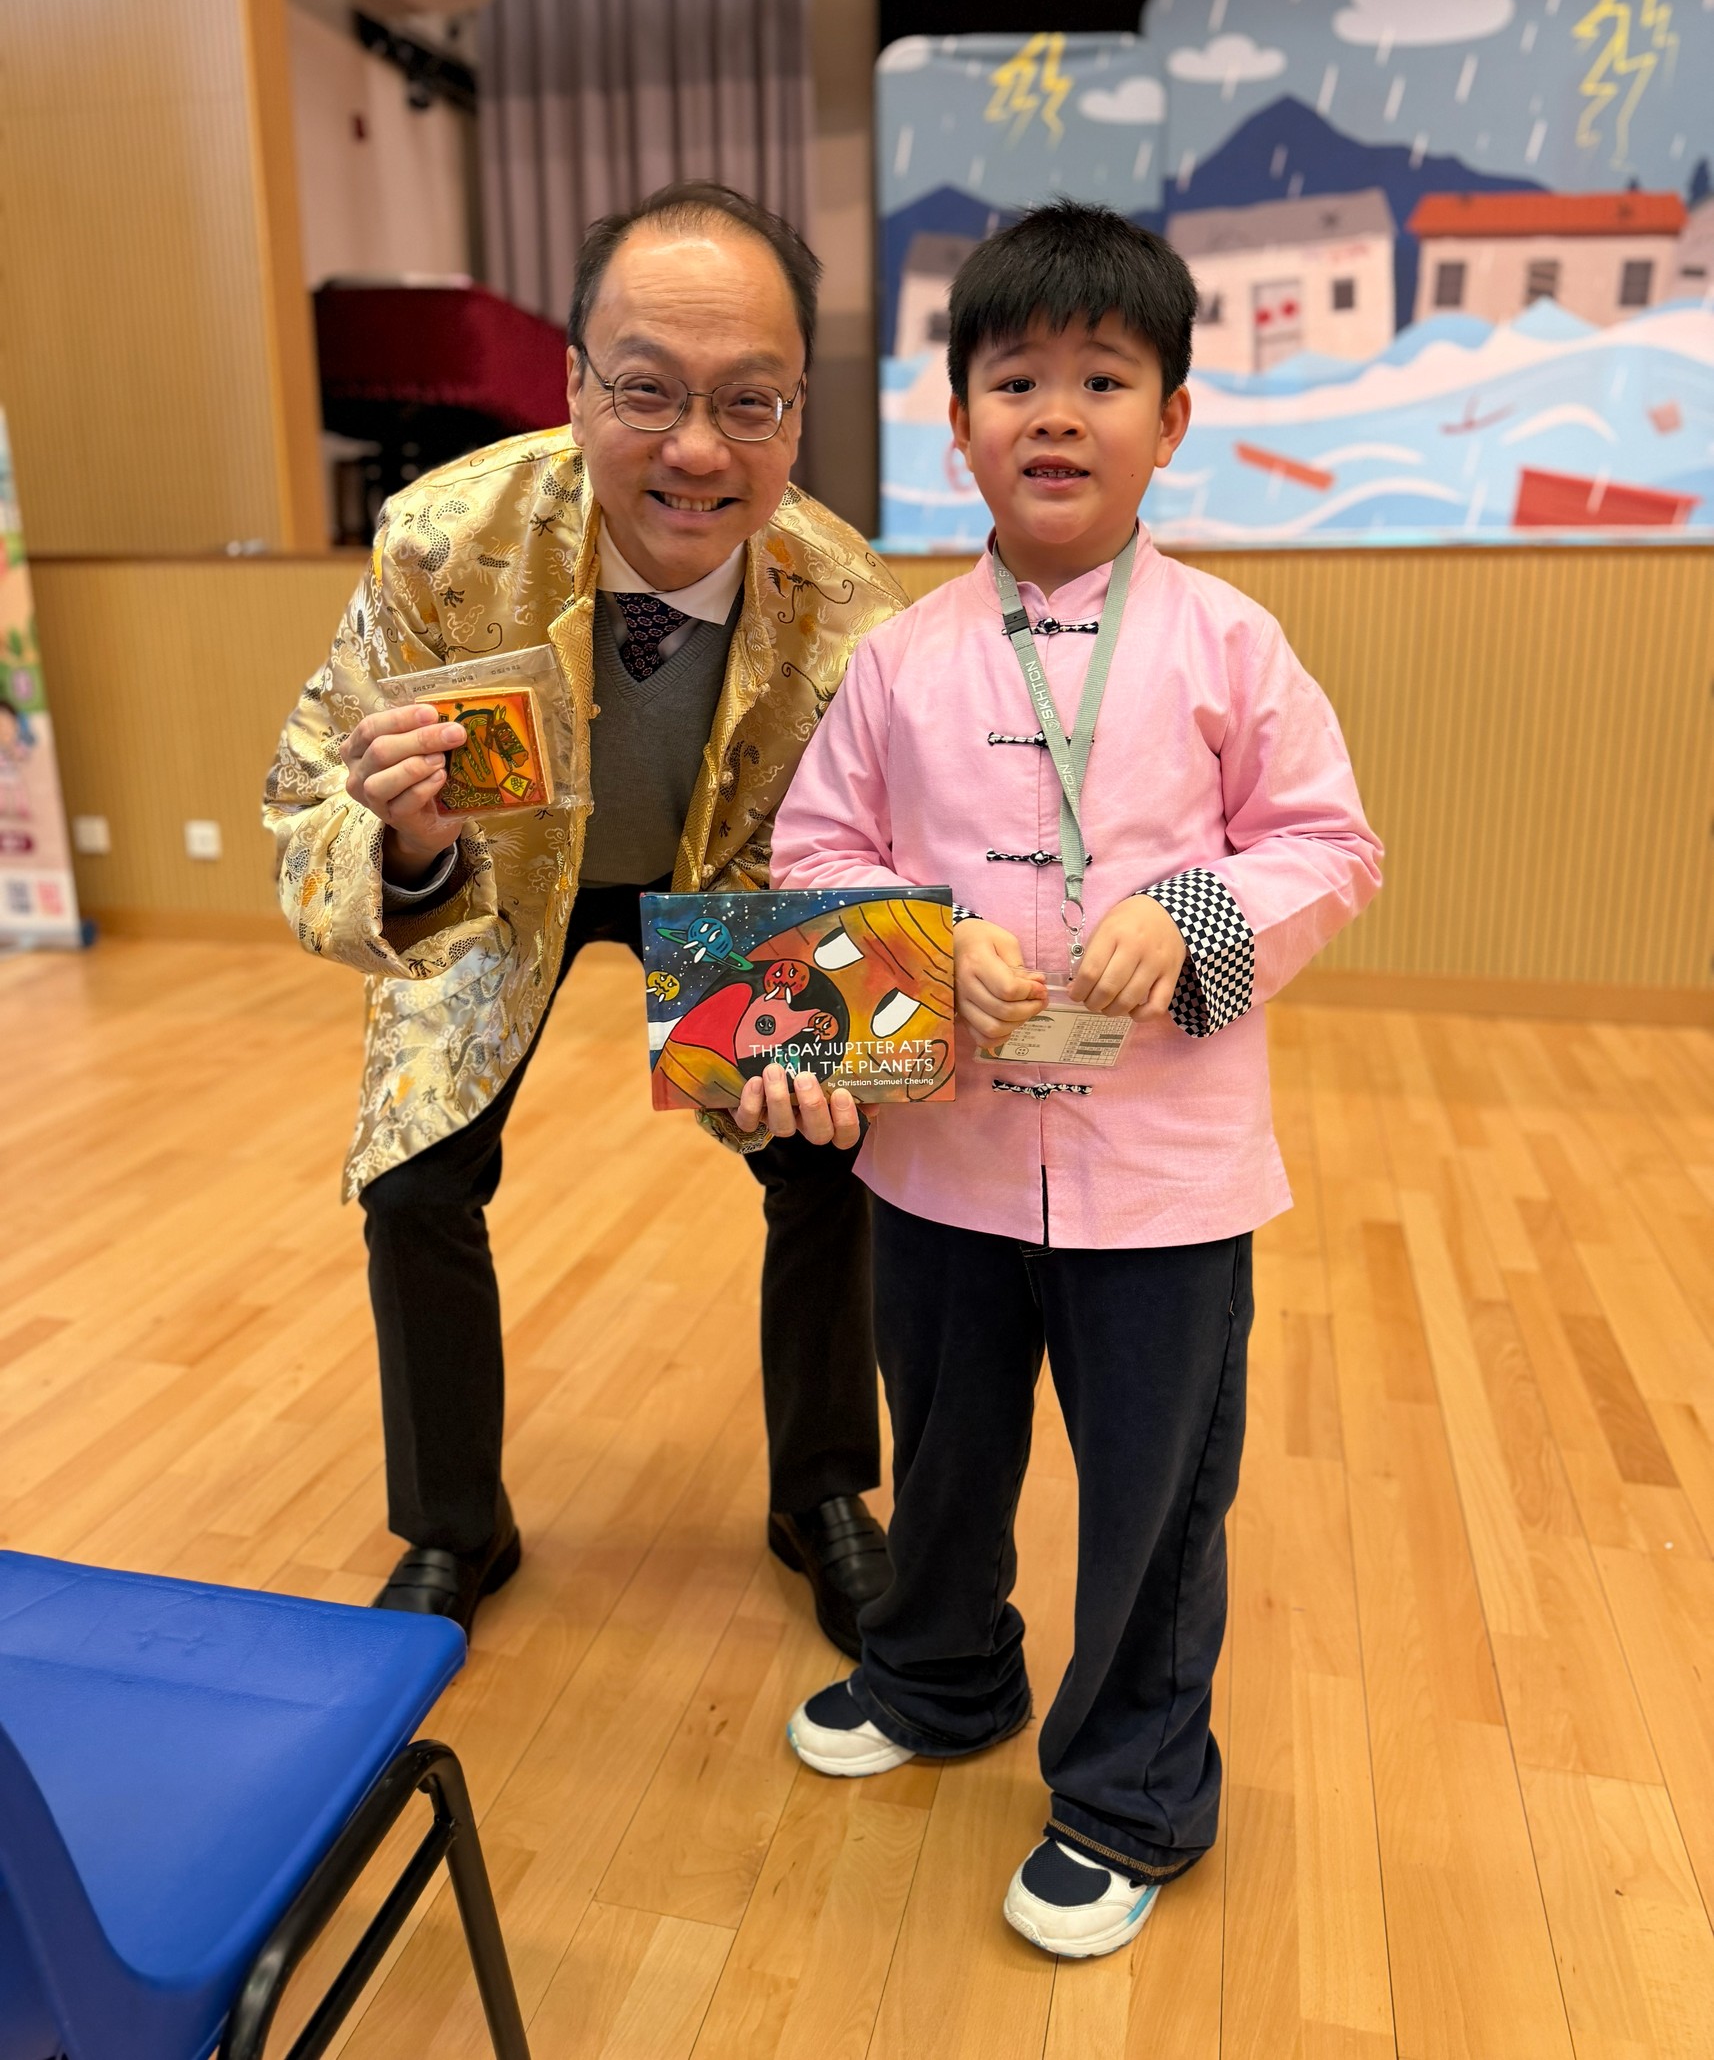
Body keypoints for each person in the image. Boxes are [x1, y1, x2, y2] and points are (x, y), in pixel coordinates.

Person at [763, 202, 1383, 1959]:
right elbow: (813, 855)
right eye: (1013, 377)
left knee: (1152, 1498)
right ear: (955, 418)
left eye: (1101, 379)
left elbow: (1330, 844)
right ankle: (938, 1671)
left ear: (1168, 420)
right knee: (943, 1448)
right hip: (941, 1162)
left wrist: (1194, 915)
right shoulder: (895, 658)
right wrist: (917, 935)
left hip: (1163, 1176)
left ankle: (1128, 1793)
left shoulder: (1229, 643)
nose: (1054, 412)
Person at [265, 184, 900, 1651]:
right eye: (646, 391)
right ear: (570, 384)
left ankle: (821, 1491)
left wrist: (881, 1018)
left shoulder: (850, 606)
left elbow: (872, 855)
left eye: (749, 401)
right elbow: (303, 800)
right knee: (414, 1176)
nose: (696, 449)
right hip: (496, 878)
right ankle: (454, 1523)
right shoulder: (441, 542)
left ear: (798, 412)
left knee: (834, 1152)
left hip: (730, 885)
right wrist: (403, 842)